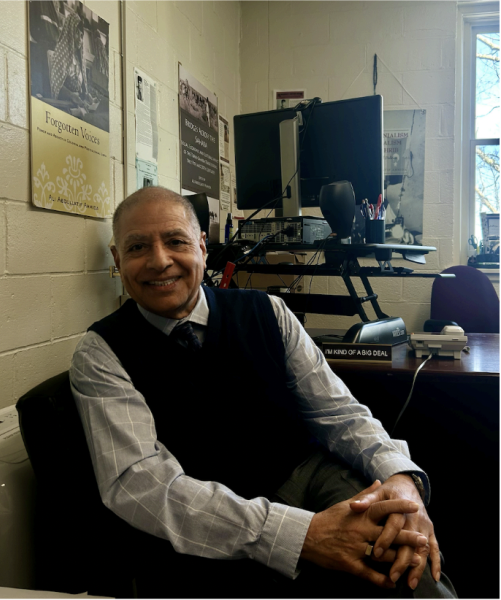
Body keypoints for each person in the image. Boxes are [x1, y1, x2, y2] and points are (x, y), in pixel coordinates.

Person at [70, 187, 456, 598]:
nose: (160, 260)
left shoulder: (268, 312)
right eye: (137, 246)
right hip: (213, 516)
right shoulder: (101, 354)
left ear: (202, 247)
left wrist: (399, 476)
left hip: (310, 475)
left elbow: (340, 414)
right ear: (117, 260)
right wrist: (300, 534)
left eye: (176, 241)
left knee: (407, 561)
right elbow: (141, 483)